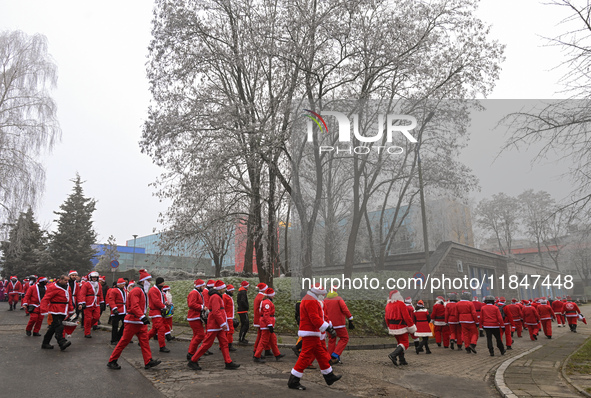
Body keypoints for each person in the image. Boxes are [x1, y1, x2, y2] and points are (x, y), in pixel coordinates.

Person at [288, 284, 341, 390]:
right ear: (318, 293)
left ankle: (329, 376)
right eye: (322, 294)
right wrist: (328, 328)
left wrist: (327, 327)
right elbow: (315, 318)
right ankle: (293, 380)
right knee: (305, 356)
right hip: (310, 332)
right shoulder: (311, 300)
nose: (324, 295)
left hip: (312, 332)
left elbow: (318, 317)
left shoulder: (310, 299)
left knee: (321, 354)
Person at [107, 270, 161, 370]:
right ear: (143, 281)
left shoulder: (141, 291)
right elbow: (134, 306)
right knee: (123, 342)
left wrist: (142, 317)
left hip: (139, 321)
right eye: (148, 280)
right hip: (133, 321)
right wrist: (142, 317)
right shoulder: (136, 290)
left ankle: (148, 361)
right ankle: (112, 360)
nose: (150, 282)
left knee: (144, 342)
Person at [187, 280, 240, 371]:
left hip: (217, 325)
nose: (224, 289)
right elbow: (216, 312)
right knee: (207, 344)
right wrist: (222, 323)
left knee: (224, 343)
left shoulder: (216, 296)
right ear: (220, 289)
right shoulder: (215, 296)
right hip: (215, 325)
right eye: (223, 288)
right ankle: (193, 360)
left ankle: (228, 362)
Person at [40, 275, 74, 351]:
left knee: (52, 327)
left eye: (67, 280)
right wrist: (43, 309)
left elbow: (69, 299)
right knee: (59, 326)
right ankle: (61, 342)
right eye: (65, 280)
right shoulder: (53, 287)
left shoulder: (67, 287)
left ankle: (45, 343)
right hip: (55, 310)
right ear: (60, 280)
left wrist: (71, 309)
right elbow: (46, 298)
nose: (67, 282)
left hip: (64, 309)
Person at [386, 290, 416, 366]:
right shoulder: (401, 304)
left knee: (400, 343)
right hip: (401, 326)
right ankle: (393, 355)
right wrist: (411, 326)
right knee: (405, 343)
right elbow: (406, 317)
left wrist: (389, 326)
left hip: (392, 326)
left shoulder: (388, 305)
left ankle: (402, 360)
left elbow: (386, 318)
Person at [253, 288, 284, 362]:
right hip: (266, 324)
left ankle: (277, 354)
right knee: (264, 340)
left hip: (267, 323)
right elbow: (266, 314)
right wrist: (269, 324)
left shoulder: (266, 301)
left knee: (273, 339)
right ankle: (257, 356)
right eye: (273, 295)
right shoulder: (267, 303)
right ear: (270, 295)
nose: (274, 296)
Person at [324, 289, 354, 365]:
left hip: (329, 324)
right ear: (336, 291)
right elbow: (345, 309)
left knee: (331, 339)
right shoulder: (339, 299)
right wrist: (350, 318)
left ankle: (330, 358)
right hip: (339, 324)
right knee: (344, 338)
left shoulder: (325, 300)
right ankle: (335, 354)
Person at [77, 271, 104, 337]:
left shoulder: (99, 285)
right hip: (88, 303)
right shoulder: (86, 284)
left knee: (97, 317)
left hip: (96, 303)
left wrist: (102, 302)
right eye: (93, 277)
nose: (94, 278)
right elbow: (82, 294)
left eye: (95, 277)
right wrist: (83, 302)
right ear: (90, 277)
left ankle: (88, 327)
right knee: (88, 318)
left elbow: (100, 294)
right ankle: (87, 333)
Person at [147, 277, 170, 353]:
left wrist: (165, 302)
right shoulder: (153, 290)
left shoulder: (158, 289)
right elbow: (156, 301)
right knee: (161, 329)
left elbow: (162, 298)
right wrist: (164, 306)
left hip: (158, 312)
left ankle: (143, 340)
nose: (163, 285)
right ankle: (162, 346)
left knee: (154, 330)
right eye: (162, 283)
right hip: (156, 312)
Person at [186, 279, 207, 361]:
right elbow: (191, 304)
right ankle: (191, 353)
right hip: (194, 317)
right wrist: (202, 307)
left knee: (196, 335)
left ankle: (191, 353)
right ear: (199, 286)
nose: (204, 287)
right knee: (200, 335)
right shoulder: (194, 293)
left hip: (195, 316)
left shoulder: (197, 292)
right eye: (203, 286)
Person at [106, 278, 127, 344]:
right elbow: (111, 300)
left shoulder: (125, 291)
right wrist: (114, 308)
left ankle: (119, 336)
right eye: (123, 284)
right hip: (117, 309)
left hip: (124, 309)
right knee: (115, 326)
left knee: (125, 324)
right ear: (119, 284)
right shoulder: (114, 291)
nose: (124, 285)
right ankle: (114, 339)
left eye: (124, 284)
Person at [253, 282, 269, 358]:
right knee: (261, 336)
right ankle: (256, 350)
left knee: (261, 335)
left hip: (258, 318)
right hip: (261, 319)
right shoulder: (262, 297)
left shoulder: (258, 296)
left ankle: (264, 349)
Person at [223, 284, 237, 351]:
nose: (233, 292)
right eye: (232, 291)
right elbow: (224, 307)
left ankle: (224, 344)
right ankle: (229, 344)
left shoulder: (228, 296)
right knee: (230, 331)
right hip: (227, 317)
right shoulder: (225, 297)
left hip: (229, 316)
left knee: (227, 331)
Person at [236, 280, 250, 345]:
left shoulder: (241, 292)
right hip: (243, 310)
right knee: (245, 324)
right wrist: (247, 306)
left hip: (241, 310)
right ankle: (241, 338)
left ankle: (241, 338)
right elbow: (242, 301)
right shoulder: (243, 292)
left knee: (243, 324)